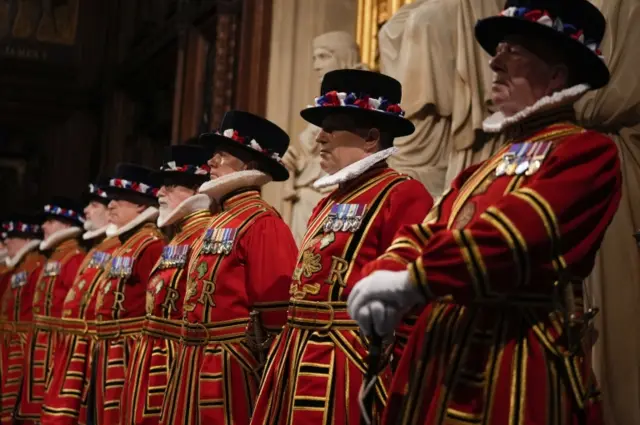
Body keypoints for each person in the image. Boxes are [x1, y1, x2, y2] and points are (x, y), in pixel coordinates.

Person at [347, 1, 620, 424]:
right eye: (498, 52)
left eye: (515, 52)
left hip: (516, 353)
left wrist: (413, 279)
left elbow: (513, 238)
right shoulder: (484, 167)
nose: (495, 64)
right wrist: (383, 275)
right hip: (443, 349)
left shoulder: (587, 152)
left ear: (557, 75)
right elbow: (427, 230)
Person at [250, 69, 434, 425]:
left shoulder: (402, 194)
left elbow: (414, 303)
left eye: (333, 126)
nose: (320, 138)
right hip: (298, 357)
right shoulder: (330, 200)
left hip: (350, 366)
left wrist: (400, 384)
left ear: (371, 137)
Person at [159, 111, 298, 425]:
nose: (211, 162)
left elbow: (277, 311)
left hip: (231, 368)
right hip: (192, 361)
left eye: (222, 155)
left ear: (248, 164)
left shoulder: (263, 222)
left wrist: (268, 377)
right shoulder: (217, 219)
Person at [120, 145, 213, 425]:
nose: (159, 193)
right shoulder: (180, 235)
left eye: (170, 186)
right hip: (155, 353)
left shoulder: (204, 234)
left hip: (178, 358)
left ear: (197, 190)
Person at [88, 164, 166, 425]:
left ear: (141, 206)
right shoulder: (127, 243)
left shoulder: (152, 244)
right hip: (110, 346)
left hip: (129, 351)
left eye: (119, 200)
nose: (110, 206)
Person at [41, 179, 120, 425]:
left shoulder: (114, 249)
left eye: (95, 204)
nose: (86, 210)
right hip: (73, 343)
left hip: (94, 345)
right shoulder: (96, 249)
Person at [17, 198, 86, 423]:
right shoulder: (55, 256)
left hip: (57, 343)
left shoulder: (74, 257)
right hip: (42, 341)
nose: (44, 227)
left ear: (67, 225)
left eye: (50, 221)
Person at [0, 214, 45, 424]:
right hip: (11, 342)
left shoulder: (37, 265)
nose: (7, 241)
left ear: (27, 241)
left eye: (14, 236)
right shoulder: (19, 267)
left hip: (25, 344)